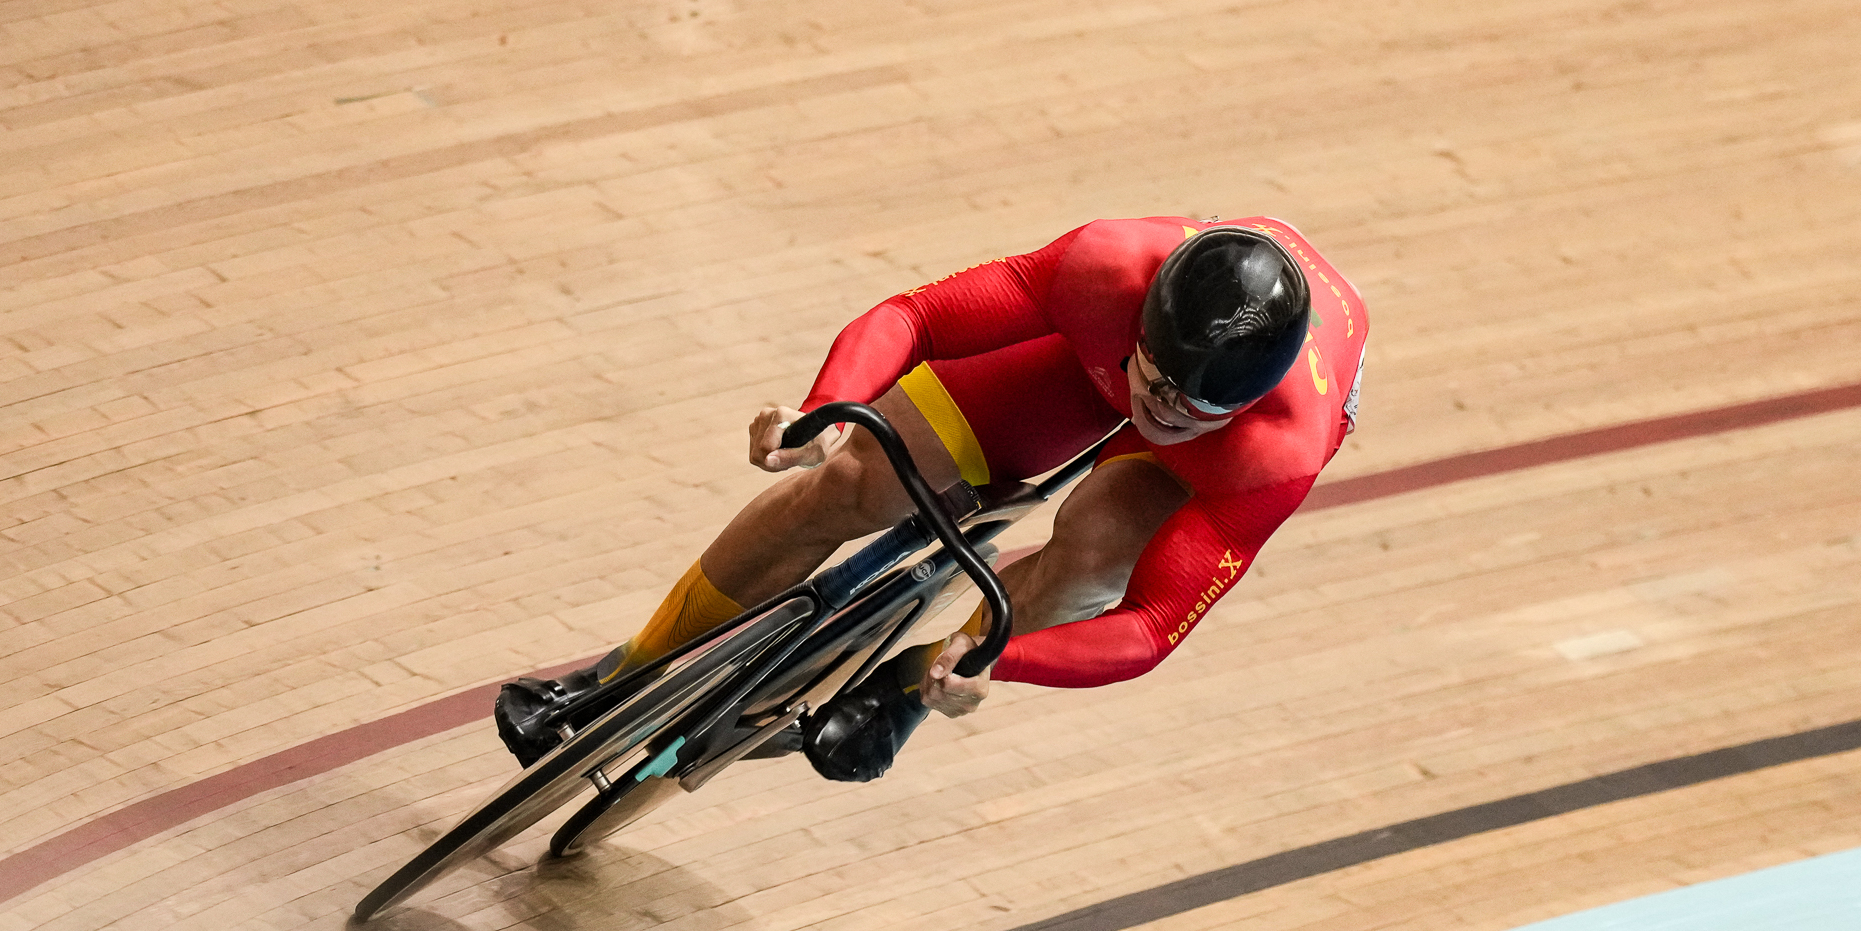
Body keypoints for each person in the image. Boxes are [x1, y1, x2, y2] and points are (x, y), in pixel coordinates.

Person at [496, 216, 1368, 780]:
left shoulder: (1273, 451)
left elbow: (1148, 627)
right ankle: (621, 674)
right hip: (1089, 360)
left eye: (1194, 404)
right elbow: (916, 317)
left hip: (1229, 448)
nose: (1163, 407)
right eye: (1157, 377)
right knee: (855, 479)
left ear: (1245, 405)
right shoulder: (1105, 271)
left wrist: (1000, 660)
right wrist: (821, 411)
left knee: (1096, 549)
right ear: (1142, 319)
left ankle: (913, 684)